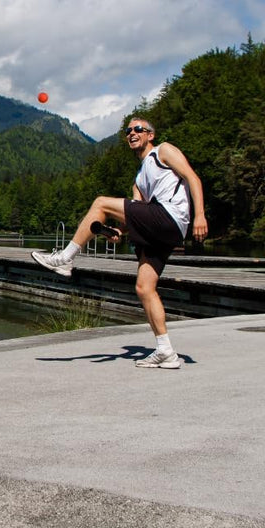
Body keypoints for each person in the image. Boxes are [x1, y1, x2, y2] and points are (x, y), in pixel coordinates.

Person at [31, 117, 208, 369]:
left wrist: (199, 215)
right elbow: (137, 213)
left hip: (171, 216)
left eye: (138, 129)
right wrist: (117, 231)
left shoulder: (163, 151)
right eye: (128, 131)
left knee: (101, 202)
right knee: (144, 288)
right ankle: (166, 351)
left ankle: (65, 258)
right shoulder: (139, 179)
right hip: (160, 226)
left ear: (150, 135)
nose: (132, 133)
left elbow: (193, 178)